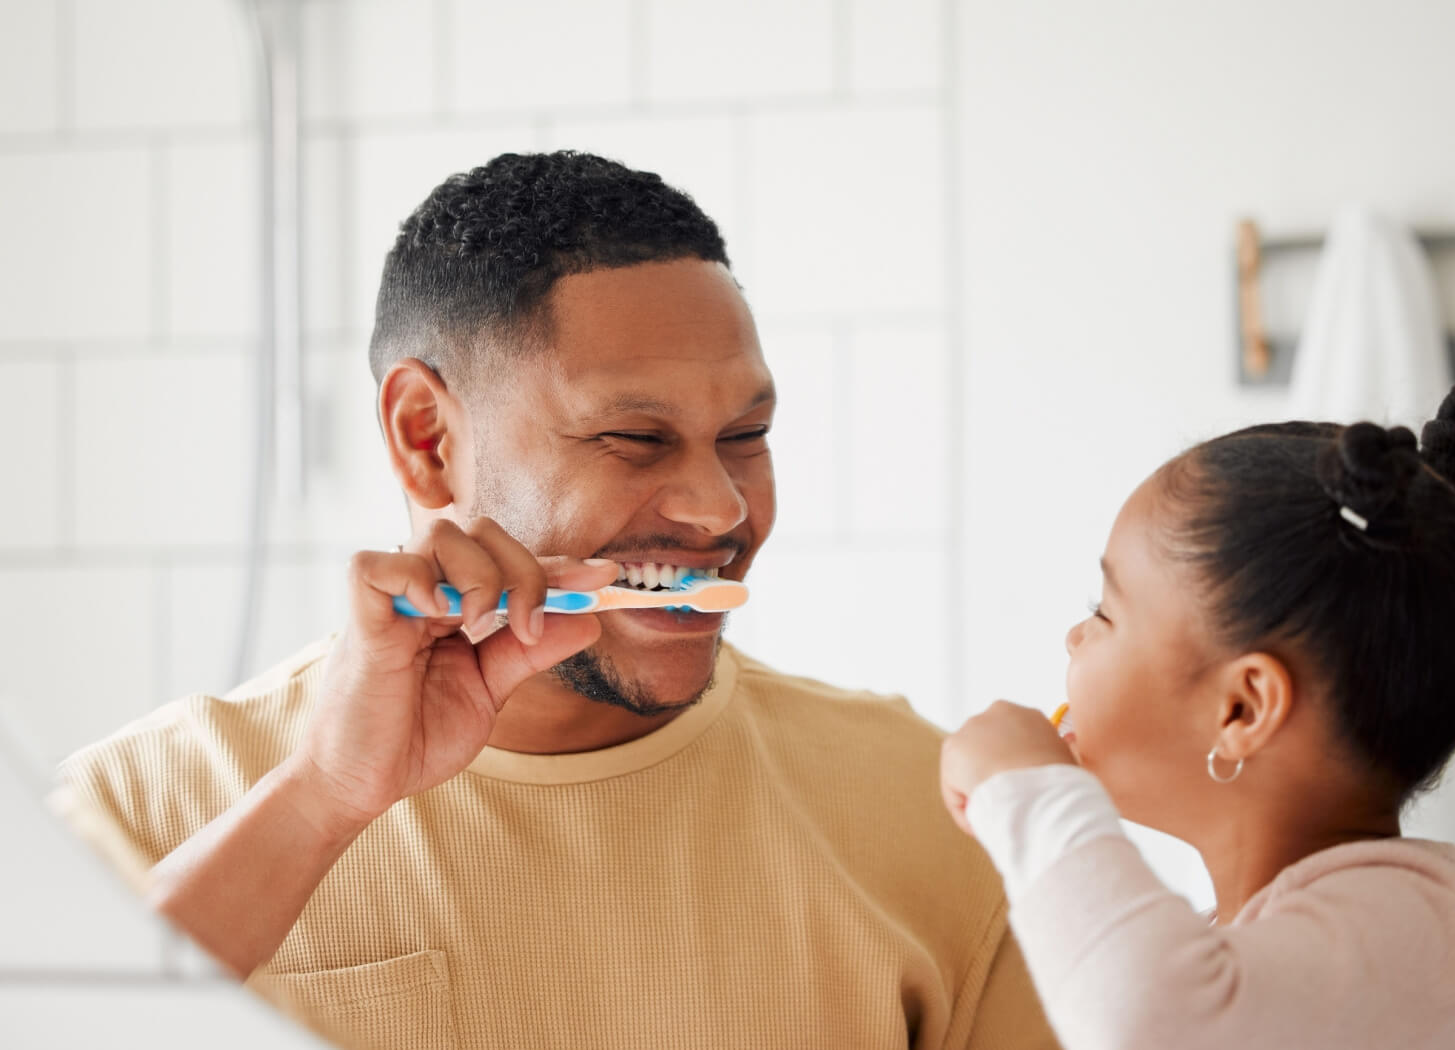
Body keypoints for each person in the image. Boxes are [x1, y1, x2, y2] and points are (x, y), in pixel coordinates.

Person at [55, 151, 1054, 1050]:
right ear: (426, 438)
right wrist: (321, 799)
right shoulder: (132, 816)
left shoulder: (924, 802)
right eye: (634, 438)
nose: (720, 508)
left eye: (745, 435)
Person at [940, 380, 1455, 1050]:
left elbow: (1144, 1017)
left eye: (1105, 611)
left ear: (1243, 708)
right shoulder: (1298, 942)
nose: (1075, 637)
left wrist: (1031, 795)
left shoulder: (1411, 931)